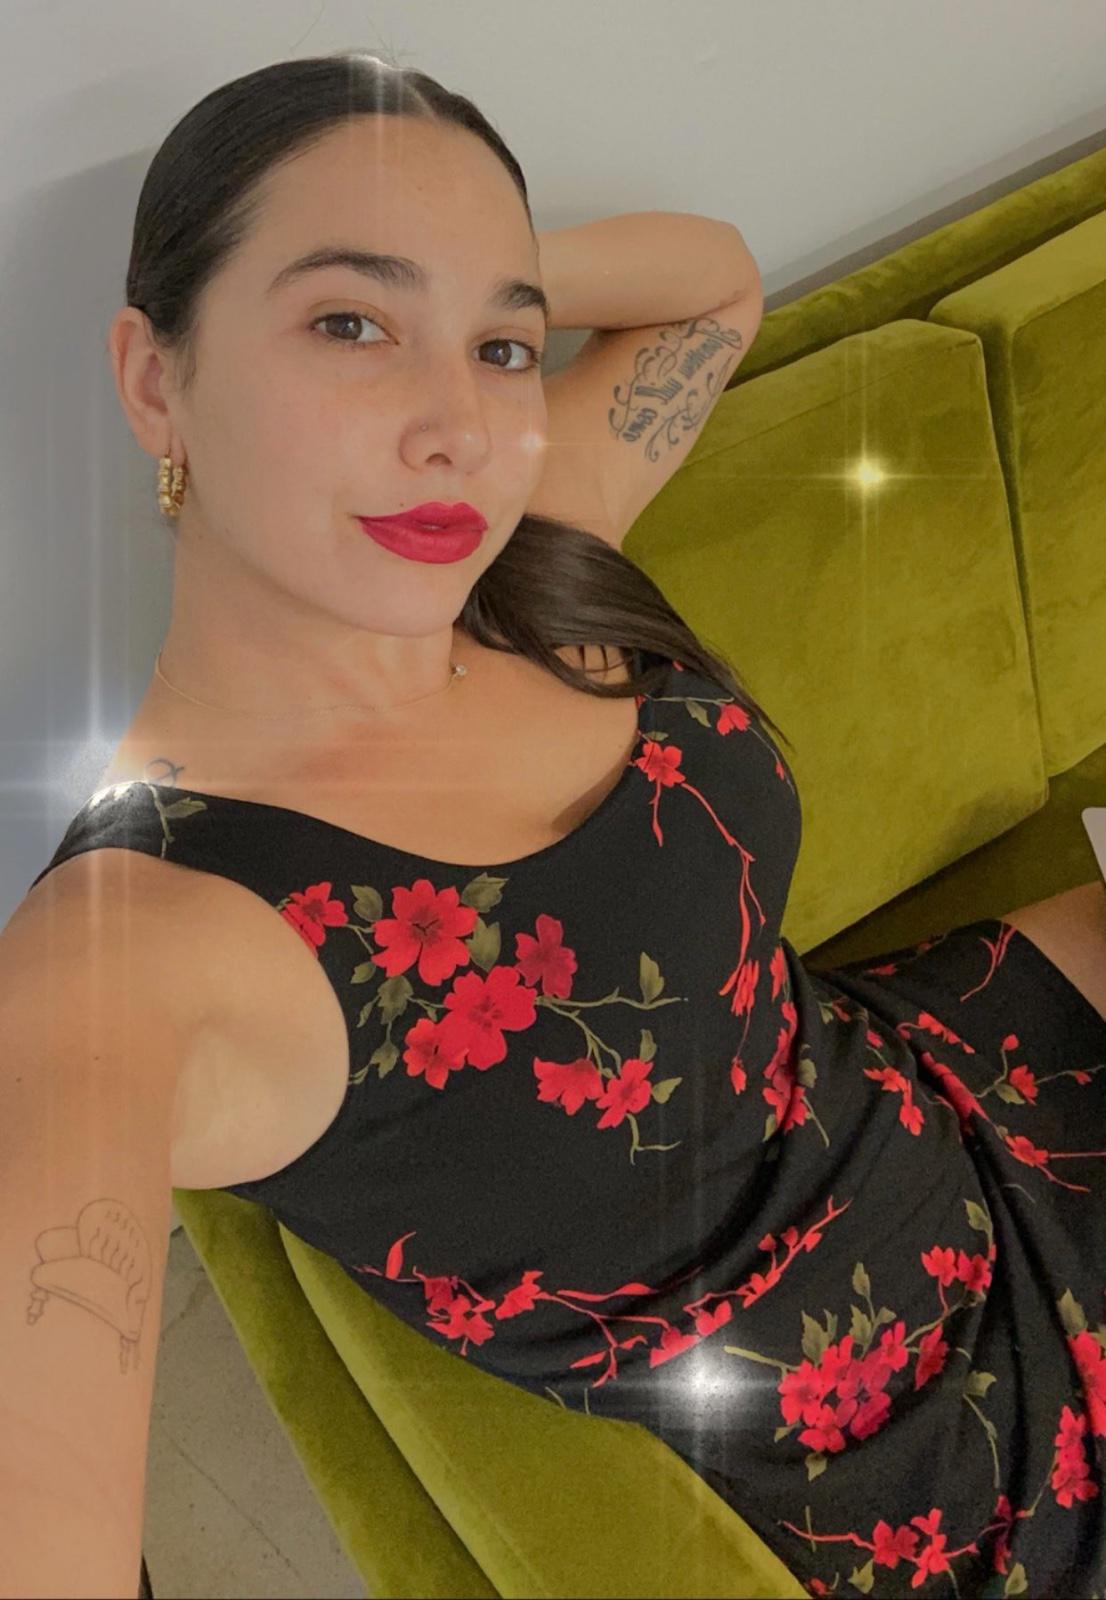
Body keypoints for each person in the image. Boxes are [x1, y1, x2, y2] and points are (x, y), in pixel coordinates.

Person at [14, 52, 1106, 1599]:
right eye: (346, 324)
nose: (457, 424)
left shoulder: (517, 561)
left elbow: (707, 286)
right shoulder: (129, 953)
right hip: (913, 1443)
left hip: (946, 1090)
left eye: (502, 344)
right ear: (154, 378)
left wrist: (453, 287)